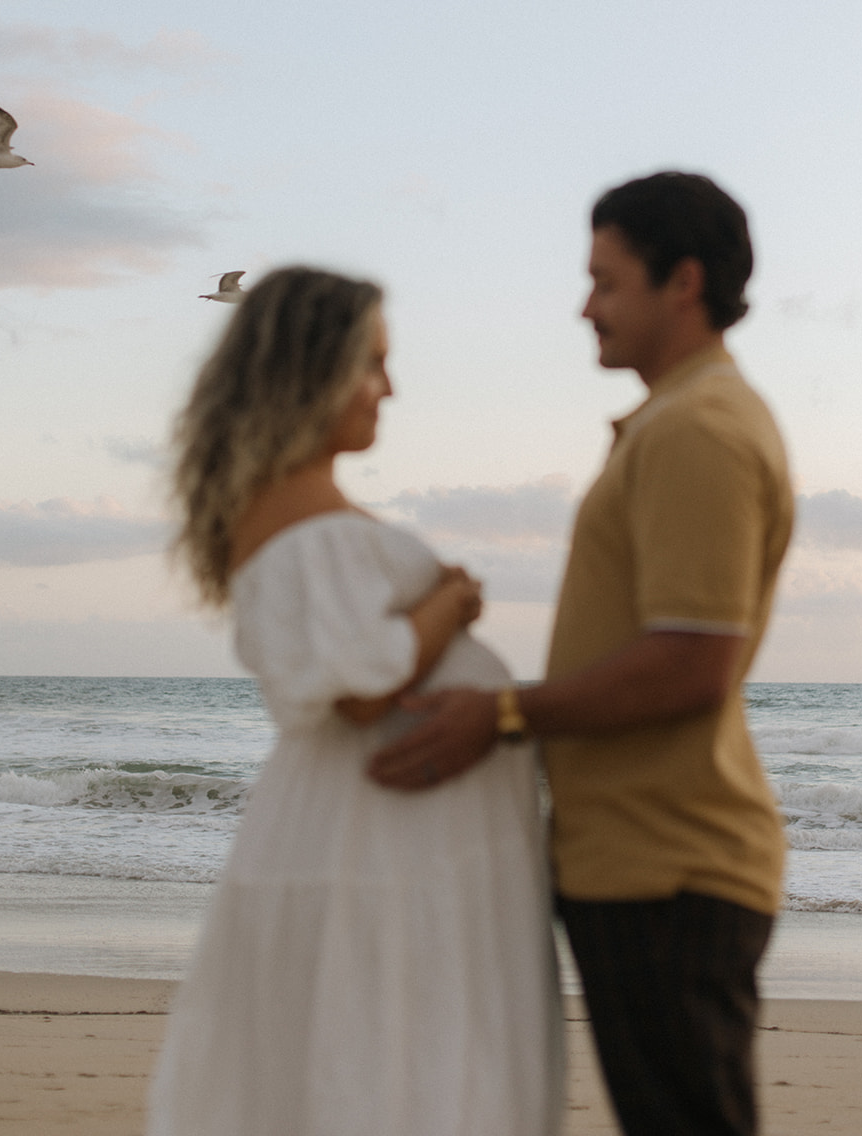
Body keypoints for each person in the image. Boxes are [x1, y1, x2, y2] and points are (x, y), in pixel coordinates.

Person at [370, 173, 793, 1136]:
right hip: (633, 859)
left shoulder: (700, 431)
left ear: (680, 282)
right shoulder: (674, 422)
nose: (584, 307)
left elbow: (694, 662)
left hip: (670, 864)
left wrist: (505, 713)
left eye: (604, 282)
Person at [147, 267, 563, 1136]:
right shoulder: (294, 515)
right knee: (386, 1071)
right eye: (372, 364)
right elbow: (360, 685)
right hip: (379, 846)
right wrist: (448, 605)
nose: (390, 388)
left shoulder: (287, 507)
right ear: (310, 370)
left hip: (390, 839)